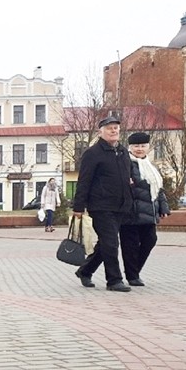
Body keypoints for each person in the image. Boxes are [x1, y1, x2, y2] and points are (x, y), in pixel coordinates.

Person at [71, 115, 134, 291]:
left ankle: (85, 270)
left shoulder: (122, 152)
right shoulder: (93, 154)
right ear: (101, 131)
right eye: (109, 128)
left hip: (121, 205)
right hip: (100, 206)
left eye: (116, 128)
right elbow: (84, 180)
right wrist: (78, 206)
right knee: (111, 243)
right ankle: (114, 280)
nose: (114, 131)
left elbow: (128, 176)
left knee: (106, 244)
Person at [120, 132, 170, 286]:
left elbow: (158, 188)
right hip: (130, 212)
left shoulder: (150, 166)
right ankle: (132, 276)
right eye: (136, 146)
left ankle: (133, 271)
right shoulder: (125, 163)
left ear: (148, 147)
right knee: (130, 245)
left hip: (148, 212)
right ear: (130, 147)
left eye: (143, 146)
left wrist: (163, 207)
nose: (139, 149)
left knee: (150, 240)